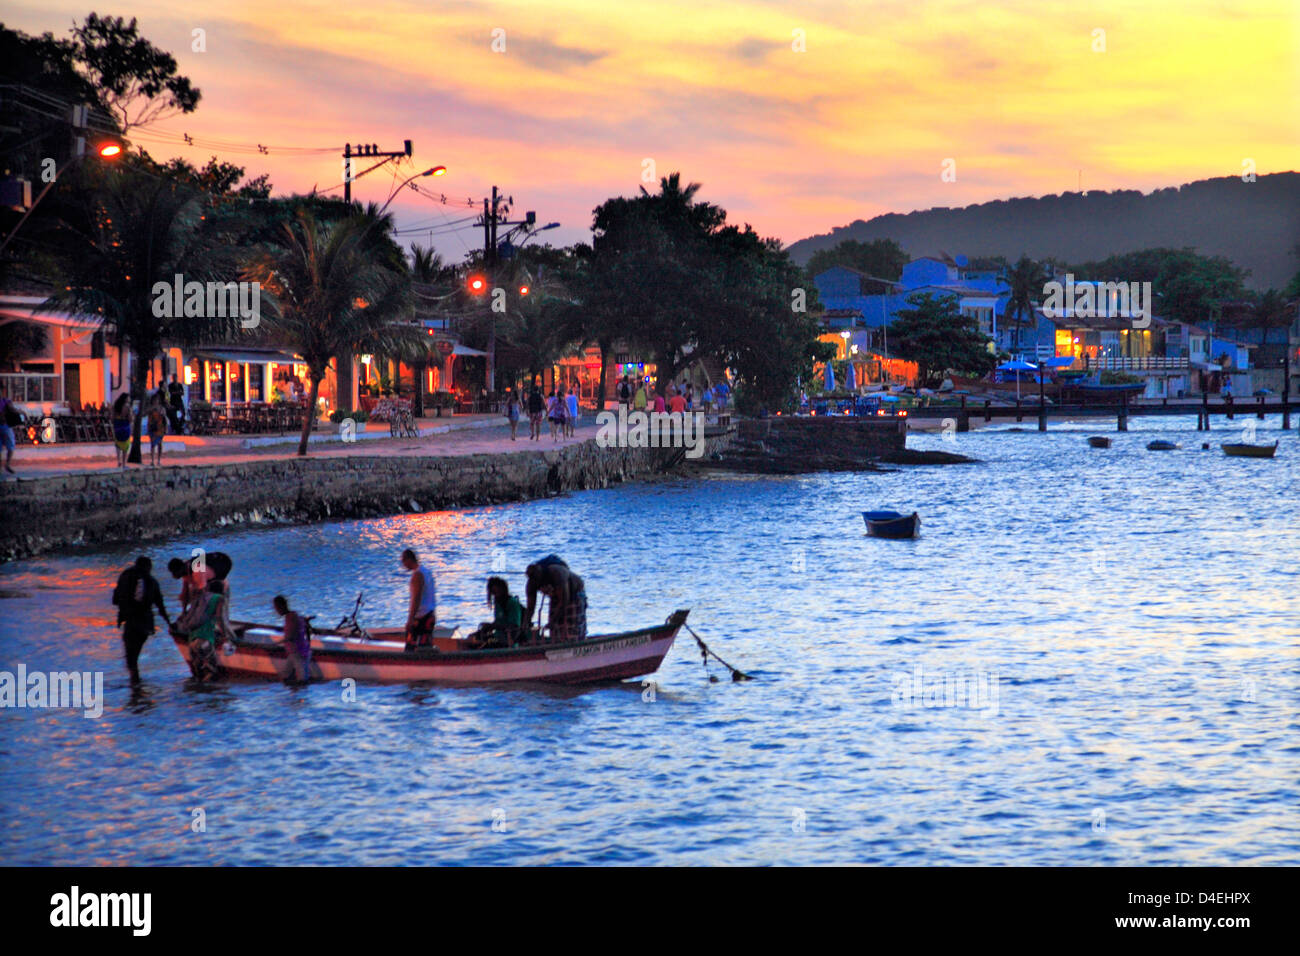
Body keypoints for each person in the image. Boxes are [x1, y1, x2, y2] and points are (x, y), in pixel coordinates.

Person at [112, 556, 170, 683]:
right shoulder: (152, 581)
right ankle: (137, 688)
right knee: (135, 655)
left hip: (131, 622)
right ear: (149, 567)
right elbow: (160, 606)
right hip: (145, 624)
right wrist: (169, 623)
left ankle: (135, 688)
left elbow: (115, 600)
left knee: (131, 659)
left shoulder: (125, 577)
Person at [173, 579, 233, 682]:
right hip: (204, 640)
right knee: (212, 674)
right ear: (222, 590)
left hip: (192, 642)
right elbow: (220, 619)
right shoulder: (219, 599)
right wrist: (226, 636)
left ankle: (198, 696)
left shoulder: (201, 598)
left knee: (198, 676)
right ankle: (207, 696)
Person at [524, 555, 587, 644]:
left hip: (574, 594)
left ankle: (576, 644)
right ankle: (557, 645)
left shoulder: (557, 572)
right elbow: (530, 608)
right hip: (556, 597)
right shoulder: (531, 583)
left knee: (572, 627)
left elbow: (564, 600)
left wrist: (553, 620)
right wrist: (525, 624)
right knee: (555, 630)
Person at [470, 576, 527, 648]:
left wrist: (493, 626)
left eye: (497, 592)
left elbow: (514, 626)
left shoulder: (512, 603)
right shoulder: (498, 603)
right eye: (493, 593)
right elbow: (499, 622)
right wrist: (487, 627)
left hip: (508, 641)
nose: (496, 596)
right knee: (472, 638)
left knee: (484, 644)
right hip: (497, 637)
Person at [402, 549, 437, 648]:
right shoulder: (427, 572)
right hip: (430, 614)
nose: (403, 565)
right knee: (426, 646)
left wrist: (410, 619)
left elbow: (416, 598)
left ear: (408, 560)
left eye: (403, 562)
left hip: (421, 617)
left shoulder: (417, 575)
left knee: (411, 647)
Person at [272, 595, 311, 684]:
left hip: (298, 653)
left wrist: (276, 643)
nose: (276, 611)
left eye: (276, 608)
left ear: (281, 606)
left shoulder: (291, 618)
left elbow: (291, 636)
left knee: (302, 681)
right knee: (285, 677)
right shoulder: (292, 616)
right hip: (293, 653)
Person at [0, 384, 18, 476]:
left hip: (4, 425)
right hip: (5, 425)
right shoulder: (5, 401)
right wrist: (21, 412)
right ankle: (7, 464)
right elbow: (12, 410)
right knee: (11, 446)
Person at [111, 393, 132, 468]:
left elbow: (112, 418)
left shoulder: (116, 406)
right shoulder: (127, 407)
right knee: (125, 445)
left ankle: (118, 461)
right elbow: (130, 419)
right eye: (128, 398)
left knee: (118, 444)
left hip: (117, 425)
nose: (129, 399)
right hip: (125, 425)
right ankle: (124, 463)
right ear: (126, 398)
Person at [146, 398, 168, 466]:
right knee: (152, 444)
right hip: (152, 428)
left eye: (157, 400)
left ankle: (159, 460)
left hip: (160, 428)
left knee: (159, 444)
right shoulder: (150, 409)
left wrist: (165, 428)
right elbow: (147, 415)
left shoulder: (162, 408)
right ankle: (152, 460)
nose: (156, 401)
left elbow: (164, 418)